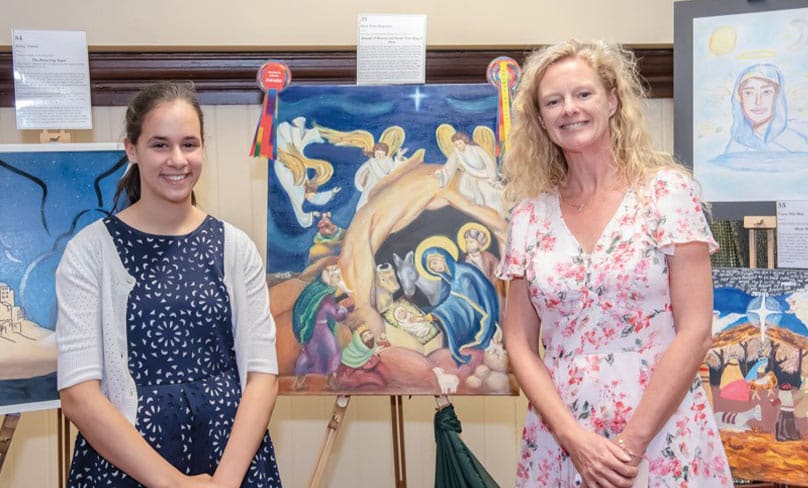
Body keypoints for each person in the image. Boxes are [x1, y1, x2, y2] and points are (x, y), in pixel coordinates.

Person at [497, 39, 732, 487]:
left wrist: (629, 447)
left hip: (662, 430)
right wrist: (574, 440)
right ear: (541, 120)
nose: (569, 108)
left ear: (613, 100)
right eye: (553, 101)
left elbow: (696, 328)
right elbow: (520, 343)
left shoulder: (666, 194)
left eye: (583, 94)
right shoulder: (528, 216)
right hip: (562, 437)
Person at [55, 82, 282, 487]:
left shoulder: (235, 247)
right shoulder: (89, 252)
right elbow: (78, 393)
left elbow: (262, 375)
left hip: (230, 461)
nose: (177, 160)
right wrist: (173, 483)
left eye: (189, 144)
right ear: (131, 149)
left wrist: (224, 481)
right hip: (126, 465)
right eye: (160, 145)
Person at [420, 244, 498, 366]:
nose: (435, 267)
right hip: (467, 312)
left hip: (482, 317)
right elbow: (444, 300)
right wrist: (427, 311)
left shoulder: (463, 273)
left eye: (435, 262)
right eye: (431, 266)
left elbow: (458, 302)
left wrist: (435, 314)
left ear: (443, 257)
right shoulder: (447, 278)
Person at [291, 261, 352, 390]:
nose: (338, 280)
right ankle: (331, 382)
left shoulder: (315, 289)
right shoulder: (326, 296)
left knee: (308, 355)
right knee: (334, 353)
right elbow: (335, 314)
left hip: (310, 329)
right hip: (322, 330)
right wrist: (345, 310)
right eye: (336, 277)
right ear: (329, 277)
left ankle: (298, 383)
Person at [724, 63, 808, 153]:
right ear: (739, 98)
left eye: (766, 92)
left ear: (777, 97)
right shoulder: (736, 147)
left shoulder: (796, 142)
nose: (758, 102)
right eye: (749, 93)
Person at [435, 132, 503, 214]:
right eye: (456, 144)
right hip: (469, 176)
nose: (459, 146)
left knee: (487, 191)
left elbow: (489, 163)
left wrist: (492, 178)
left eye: (460, 143)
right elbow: (450, 165)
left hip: (484, 174)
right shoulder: (457, 152)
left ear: (464, 141)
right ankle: (476, 209)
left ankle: (495, 210)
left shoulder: (476, 150)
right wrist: (442, 174)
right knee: (463, 189)